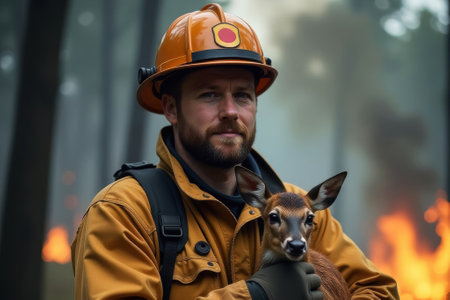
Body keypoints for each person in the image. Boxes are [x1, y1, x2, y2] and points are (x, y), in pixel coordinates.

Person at [71, 3, 399, 300]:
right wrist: (255, 295)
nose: (231, 111)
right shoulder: (124, 213)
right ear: (171, 108)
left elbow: (379, 291)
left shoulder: (301, 209)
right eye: (210, 95)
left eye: (242, 96)